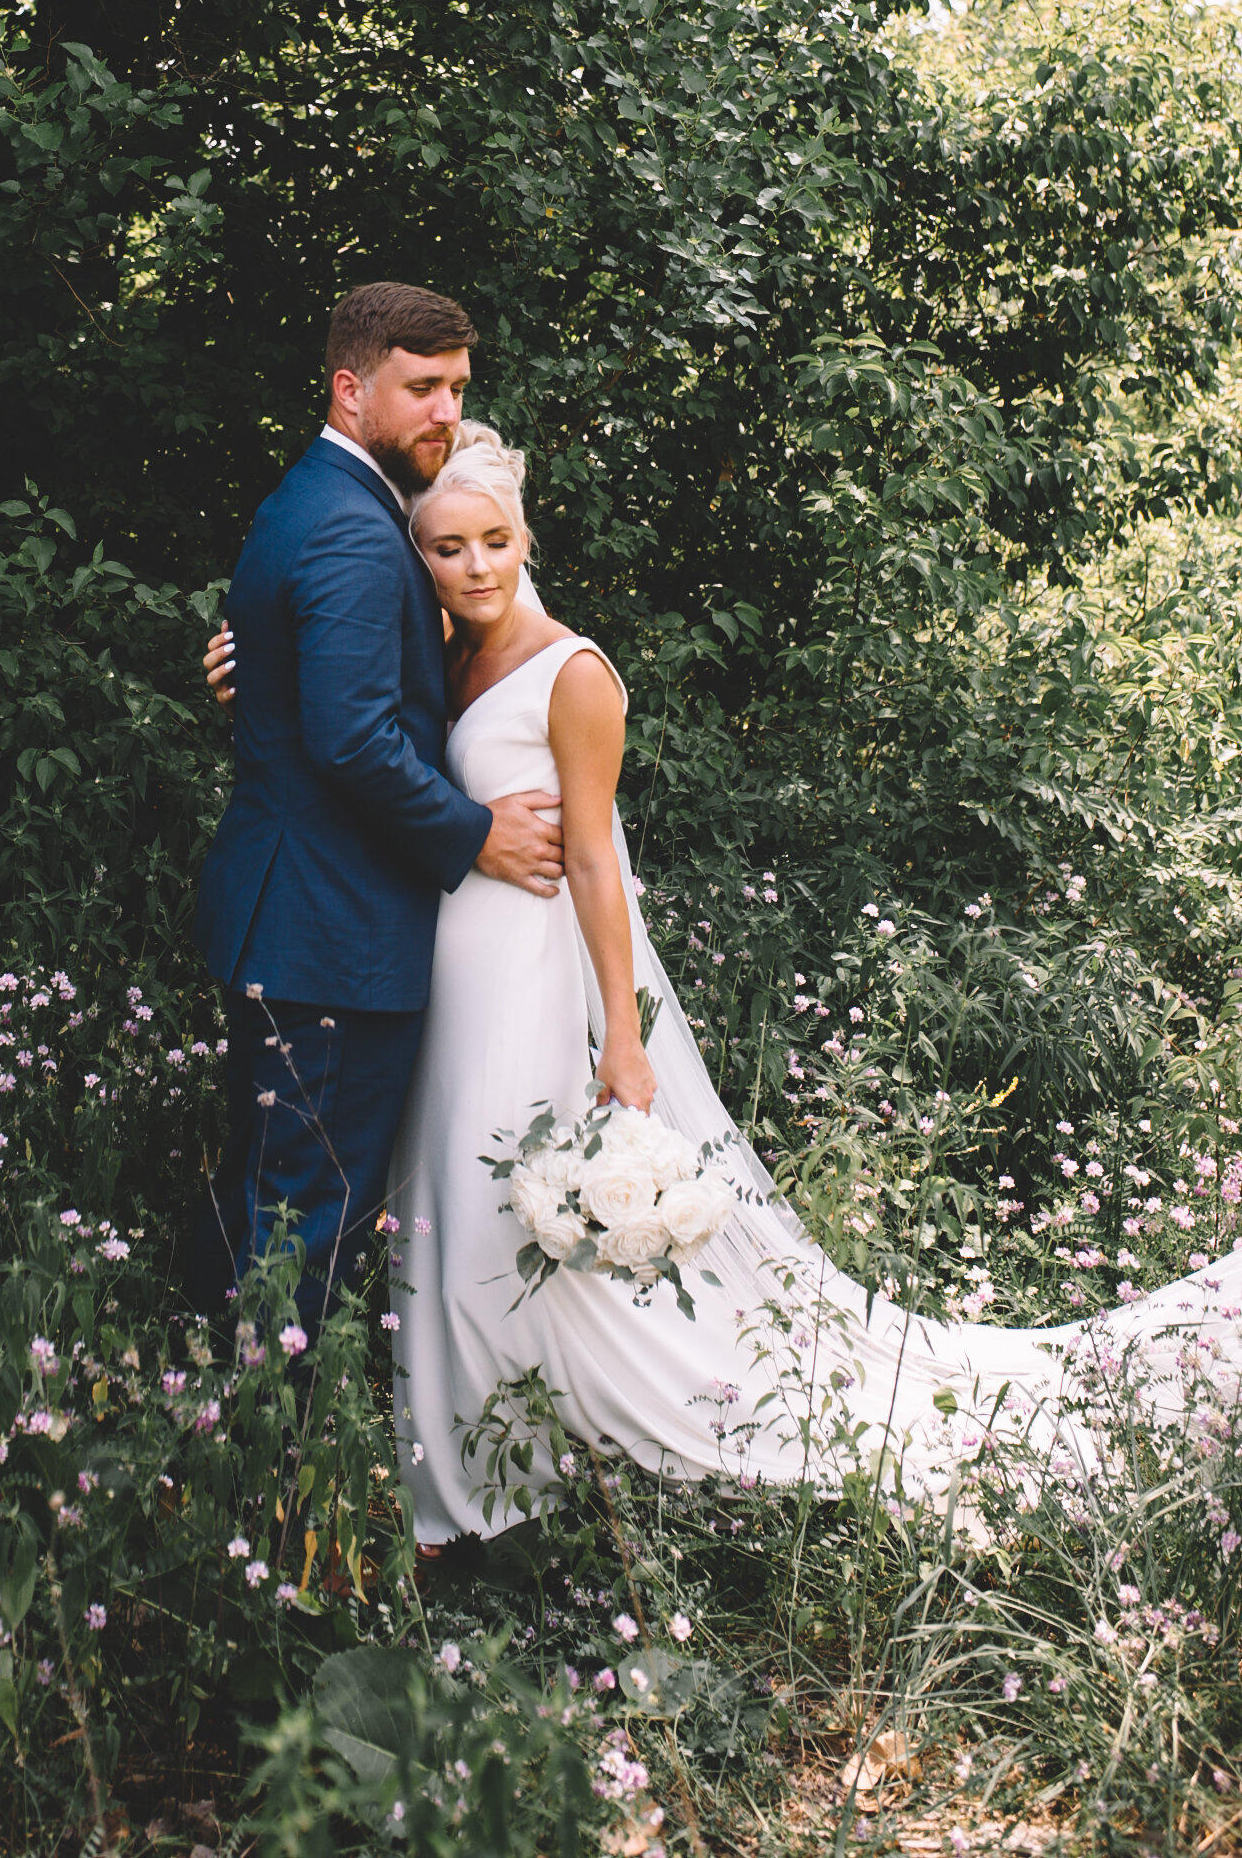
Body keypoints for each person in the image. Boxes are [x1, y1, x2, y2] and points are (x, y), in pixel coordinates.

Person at [210, 418, 1242, 1542]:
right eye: (447, 548)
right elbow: (347, 723)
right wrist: (245, 663)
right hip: (448, 975)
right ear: (419, 558)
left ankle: (544, 1462)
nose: (475, 566)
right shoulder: (445, 658)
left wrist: (620, 1031)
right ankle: (483, 1451)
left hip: (534, 976)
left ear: (524, 536)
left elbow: (598, 860)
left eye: (493, 541)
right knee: (454, 1205)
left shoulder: (573, 671)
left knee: (509, 1199)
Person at [186, 285, 565, 1326]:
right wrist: (478, 833)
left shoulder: (315, 496)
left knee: (271, 1186)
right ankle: (267, 1449)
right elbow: (353, 738)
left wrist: (256, 668)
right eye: (420, 388)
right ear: (350, 389)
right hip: (331, 928)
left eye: (456, 390)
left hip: (291, 911)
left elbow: (326, 668)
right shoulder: (357, 531)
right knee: (309, 1207)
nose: (444, 412)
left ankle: (210, 1395)